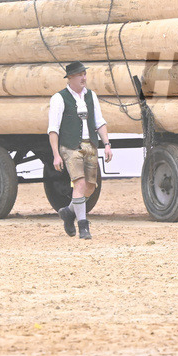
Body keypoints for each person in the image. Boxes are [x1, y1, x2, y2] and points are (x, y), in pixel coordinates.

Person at [48, 62, 113, 240]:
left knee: (91, 187)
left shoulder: (91, 96)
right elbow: (53, 129)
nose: (84, 78)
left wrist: (107, 144)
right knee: (80, 184)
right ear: (70, 78)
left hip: (90, 145)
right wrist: (56, 154)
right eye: (79, 75)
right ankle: (83, 226)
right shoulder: (59, 98)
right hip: (70, 146)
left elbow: (99, 121)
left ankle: (69, 213)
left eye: (84, 74)